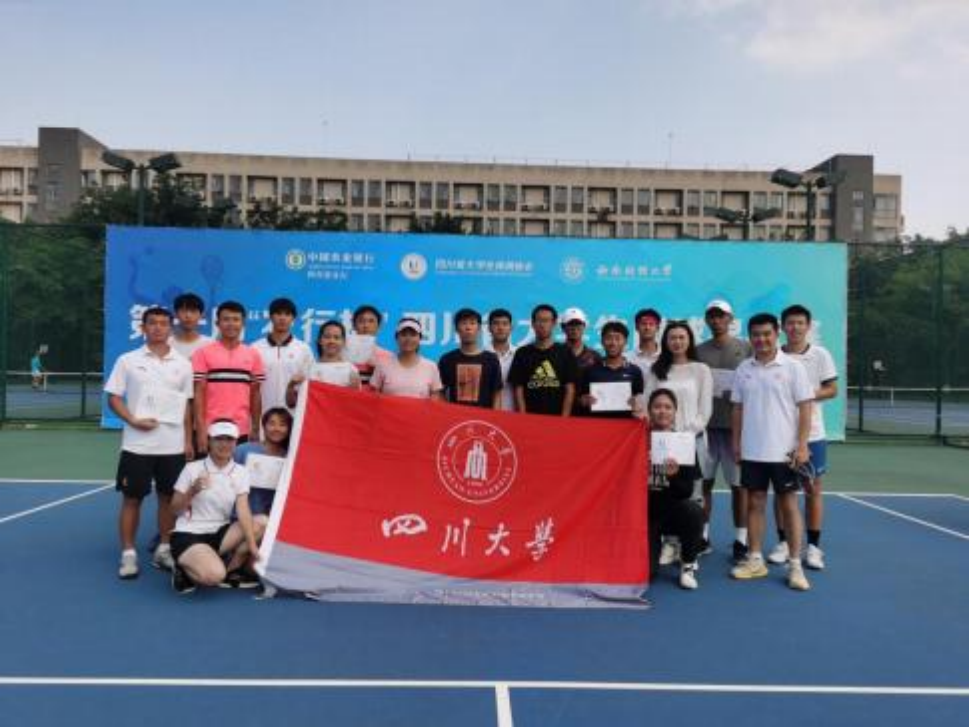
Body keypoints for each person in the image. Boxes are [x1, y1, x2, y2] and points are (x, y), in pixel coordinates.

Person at [105, 306, 193, 579]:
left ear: (170, 328)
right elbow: (114, 397)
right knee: (132, 499)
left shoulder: (183, 364)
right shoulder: (127, 360)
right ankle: (128, 554)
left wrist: (188, 441)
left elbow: (186, 406)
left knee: (168, 499)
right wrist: (132, 420)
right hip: (137, 446)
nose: (158, 327)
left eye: (163, 323)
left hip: (172, 446)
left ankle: (164, 549)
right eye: (152, 323)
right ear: (143, 328)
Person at [730, 313, 814, 592]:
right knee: (754, 503)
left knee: (788, 505)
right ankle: (755, 559)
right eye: (756, 334)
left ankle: (795, 565)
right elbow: (738, 409)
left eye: (766, 333)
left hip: (784, 452)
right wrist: (736, 443)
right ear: (750, 336)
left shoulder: (793, 367)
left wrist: (802, 445)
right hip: (752, 451)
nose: (761, 339)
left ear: (777, 333)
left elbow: (805, 408)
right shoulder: (744, 368)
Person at [766, 304, 839, 571]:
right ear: (782, 327)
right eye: (790, 323)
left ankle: (814, 547)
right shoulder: (773, 355)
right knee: (782, 490)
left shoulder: (820, 355)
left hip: (813, 434)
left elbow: (832, 389)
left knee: (812, 489)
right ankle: (784, 543)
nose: (795, 327)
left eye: (800, 323)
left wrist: (804, 393)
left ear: (808, 326)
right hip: (779, 434)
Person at [644, 321, 713, 565]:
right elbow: (648, 403)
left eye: (682, 337)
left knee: (693, 495)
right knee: (665, 490)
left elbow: (704, 411)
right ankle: (669, 544)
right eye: (672, 337)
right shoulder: (657, 369)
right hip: (661, 441)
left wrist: (682, 436)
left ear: (689, 340)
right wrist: (665, 435)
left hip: (691, 439)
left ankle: (691, 549)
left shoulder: (701, 370)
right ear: (665, 341)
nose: (677, 342)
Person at [169, 420, 265, 594]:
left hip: (221, 533)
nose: (224, 444)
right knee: (213, 575)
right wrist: (192, 491)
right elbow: (174, 509)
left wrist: (251, 546)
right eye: (219, 439)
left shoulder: (241, 472)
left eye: (229, 439)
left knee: (263, 522)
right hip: (190, 533)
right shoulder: (191, 468)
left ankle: (232, 570)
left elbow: (243, 510)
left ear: (236, 442)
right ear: (209, 441)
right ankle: (181, 566)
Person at [696, 299, 753, 562]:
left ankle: (741, 540)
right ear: (707, 320)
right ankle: (702, 537)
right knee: (703, 486)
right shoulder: (698, 351)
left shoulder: (747, 348)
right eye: (712, 316)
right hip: (706, 430)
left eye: (721, 316)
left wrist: (739, 395)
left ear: (730, 319)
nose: (717, 320)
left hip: (735, 432)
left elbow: (755, 383)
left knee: (739, 487)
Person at [647, 388, 705, 590]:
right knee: (647, 574)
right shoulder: (636, 439)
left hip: (671, 512)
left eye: (667, 407)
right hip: (644, 515)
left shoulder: (684, 443)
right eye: (657, 407)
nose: (662, 411)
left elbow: (686, 491)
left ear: (675, 412)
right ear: (649, 410)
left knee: (693, 511)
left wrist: (672, 476)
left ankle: (687, 564)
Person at [192, 301, 265, 455]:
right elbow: (198, 393)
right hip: (210, 428)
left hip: (242, 429)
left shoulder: (253, 354)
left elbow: (255, 394)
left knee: (237, 470)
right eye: (226, 319)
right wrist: (200, 429)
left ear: (243, 323)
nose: (231, 324)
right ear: (217, 323)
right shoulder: (203, 353)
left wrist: (255, 428)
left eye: (235, 319)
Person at [508, 304, 579, 416]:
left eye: (546, 321)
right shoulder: (522, 353)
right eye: (539, 320)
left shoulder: (565, 352)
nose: (542, 325)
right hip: (531, 418)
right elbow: (518, 388)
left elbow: (570, 388)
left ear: (554, 324)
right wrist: (523, 418)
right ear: (533, 324)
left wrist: (564, 419)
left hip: (557, 418)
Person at [252, 297, 314, 413]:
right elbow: (251, 387)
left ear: (293, 318)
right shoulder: (255, 348)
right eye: (278, 313)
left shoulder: (303, 349)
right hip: (263, 415)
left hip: (294, 415)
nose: (282, 318)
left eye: (287, 314)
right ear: (270, 317)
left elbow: (309, 385)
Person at [286, 320, 361, 408]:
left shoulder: (351, 370)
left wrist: (354, 390)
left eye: (336, 337)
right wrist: (291, 385)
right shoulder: (308, 369)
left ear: (343, 342)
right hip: (314, 417)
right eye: (327, 337)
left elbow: (356, 406)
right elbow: (291, 404)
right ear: (320, 340)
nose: (332, 341)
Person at [438, 308, 503, 409]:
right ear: (457, 329)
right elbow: (440, 392)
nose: (468, 328)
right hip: (456, 416)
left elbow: (497, 393)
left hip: (484, 417)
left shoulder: (491, 359)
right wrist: (447, 412)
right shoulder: (447, 360)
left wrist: (495, 416)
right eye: (464, 323)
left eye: (472, 323)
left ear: (479, 328)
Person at [234, 407, 293, 517]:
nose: (277, 428)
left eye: (282, 425)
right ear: (264, 426)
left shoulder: (290, 458)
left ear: (289, 429)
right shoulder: (243, 450)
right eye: (272, 424)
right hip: (239, 516)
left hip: (273, 519)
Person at [578, 321, 645, 419]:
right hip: (596, 424)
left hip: (626, 425)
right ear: (602, 341)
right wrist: (583, 401)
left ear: (625, 342)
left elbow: (640, 399)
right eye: (608, 338)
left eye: (618, 338)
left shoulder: (635, 371)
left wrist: (637, 403)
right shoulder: (590, 371)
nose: (613, 343)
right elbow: (579, 399)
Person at [371, 318, 444, 400]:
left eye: (413, 335)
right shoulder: (383, 365)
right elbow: (374, 395)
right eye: (403, 334)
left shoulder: (431, 366)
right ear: (397, 338)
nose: (408, 339)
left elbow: (435, 396)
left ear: (419, 338)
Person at [347, 304, 391, 389]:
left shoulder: (388, 357)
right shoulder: (344, 354)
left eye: (371, 321)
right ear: (354, 326)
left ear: (379, 326)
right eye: (361, 321)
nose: (366, 325)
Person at [485, 308, 518, 411]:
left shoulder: (519, 355)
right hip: (488, 414)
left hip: (515, 414)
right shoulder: (481, 356)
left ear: (511, 327)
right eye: (496, 323)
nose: (500, 328)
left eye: (505, 324)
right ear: (489, 328)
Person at [171, 292, 212, 360]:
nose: (188, 315)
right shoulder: (166, 344)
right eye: (183, 311)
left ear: (201, 315)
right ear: (176, 314)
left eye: (193, 311)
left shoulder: (210, 344)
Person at [627, 308, 662, 382]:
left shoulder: (665, 356)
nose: (647, 328)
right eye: (643, 324)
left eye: (651, 324)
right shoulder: (627, 358)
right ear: (636, 327)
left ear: (657, 328)